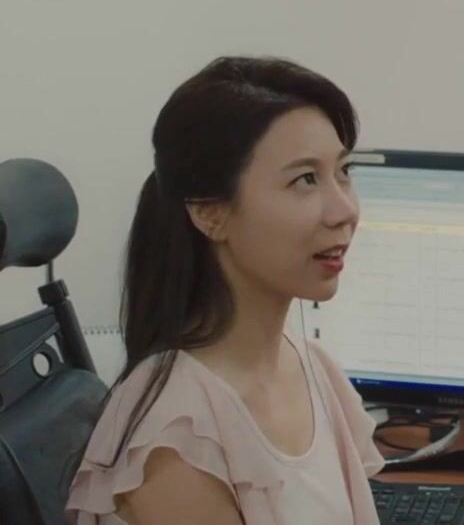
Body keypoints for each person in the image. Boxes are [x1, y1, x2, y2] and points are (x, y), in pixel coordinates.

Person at [67, 57, 384, 524]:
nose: (344, 211)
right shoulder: (176, 440)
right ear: (210, 213)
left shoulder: (312, 366)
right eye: (305, 179)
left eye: (343, 171)